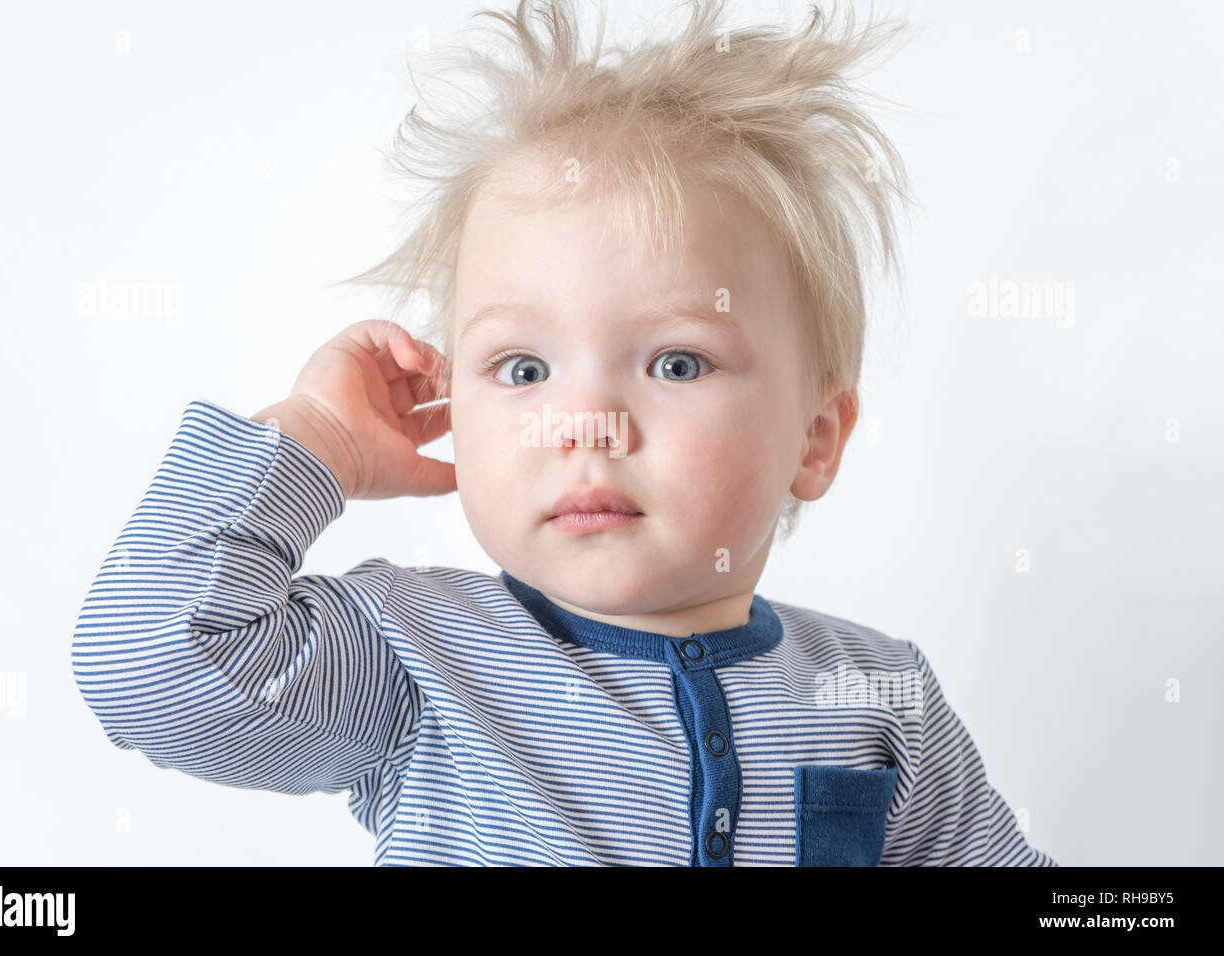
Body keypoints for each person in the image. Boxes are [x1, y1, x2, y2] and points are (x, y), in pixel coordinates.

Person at [71, 0, 1058, 866]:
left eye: (675, 362)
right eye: (523, 369)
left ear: (813, 438)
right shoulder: (413, 659)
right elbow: (147, 661)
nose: (585, 422)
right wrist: (316, 435)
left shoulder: (876, 691)